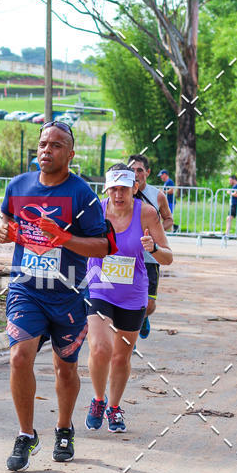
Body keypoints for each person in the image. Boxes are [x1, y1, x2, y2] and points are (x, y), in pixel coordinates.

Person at [0, 120, 114, 472]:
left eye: (57, 145)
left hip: (68, 294)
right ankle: (24, 434)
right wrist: (4, 229)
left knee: (65, 368)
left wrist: (64, 239)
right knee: (19, 357)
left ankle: (64, 427)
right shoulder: (19, 186)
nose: (47, 150)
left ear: (71, 153)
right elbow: (6, 219)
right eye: (43, 144)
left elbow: (104, 246)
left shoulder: (83, 195)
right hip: (26, 287)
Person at [86, 165, 173, 433]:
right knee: (101, 348)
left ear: (134, 188)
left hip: (133, 295)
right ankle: (98, 400)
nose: (118, 194)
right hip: (99, 288)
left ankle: (114, 407)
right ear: (107, 189)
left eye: (123, 188)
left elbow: (167, 257)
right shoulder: (95, 210)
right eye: (113, 188)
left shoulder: (146, 213)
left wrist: (154, 248)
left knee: (121, 358)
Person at [127, 154, 173, 340]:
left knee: (149, 305)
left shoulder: (157, 195)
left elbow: (169, 219)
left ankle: (143, 318)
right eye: (132, 170)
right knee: (125, 298)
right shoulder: (123, 192)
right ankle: (130, 335)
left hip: (150, 255)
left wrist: (157, 232)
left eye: (139, 170)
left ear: (148, 172)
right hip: (127, 254)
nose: (136, 174)